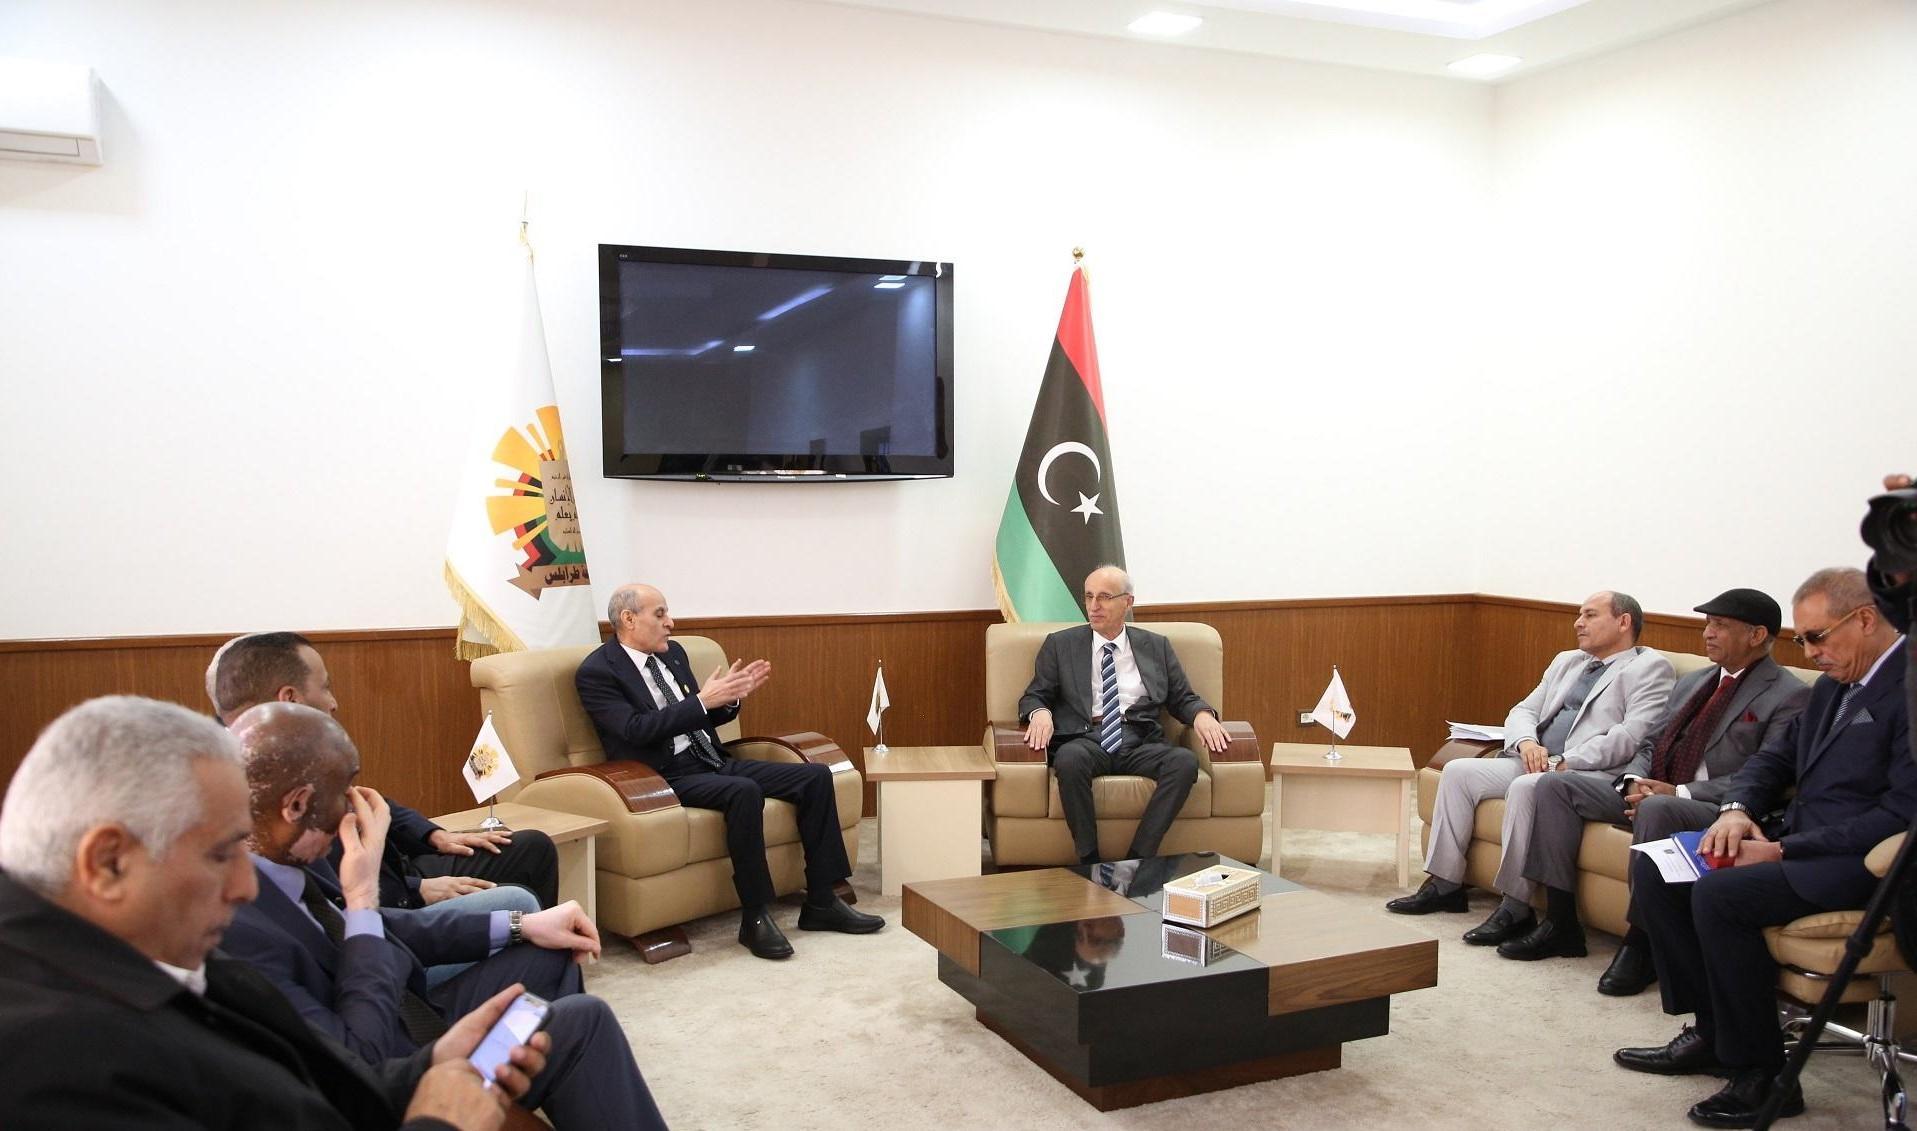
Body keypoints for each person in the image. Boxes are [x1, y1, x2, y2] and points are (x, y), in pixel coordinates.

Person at [0, 695, 547, 1130]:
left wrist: (425, 1068)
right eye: (221, 855)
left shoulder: (161, 958)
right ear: (108, 863)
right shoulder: (52, 1062)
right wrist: (439, 1123)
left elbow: (305, 1093)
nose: (245, 887)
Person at [220, 702, 668, 1130]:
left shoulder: (285, 861)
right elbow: (359, 1059)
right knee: (585, 1021)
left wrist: (521, 925)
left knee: (550, 951)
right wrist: (362, 897)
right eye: (344, 793)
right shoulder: (238, 930)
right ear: (296, 806)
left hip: (412, 1012)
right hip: (395, 1072)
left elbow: (375, 928)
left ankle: (543, 1102)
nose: (354, 808)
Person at [1615, 567, 1914, 1127]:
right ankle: (1713, 1033)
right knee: (1660, 868)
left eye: (1816, 637)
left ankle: (1765, 1073)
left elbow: (1900, 816)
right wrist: (1736, 810)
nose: (1809, 652)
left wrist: (1781, 852)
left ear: (1866, 619)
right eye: (1802, 640)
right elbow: (1772, 760)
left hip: (1866, 864)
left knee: (1722, 895)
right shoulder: (1832, 686)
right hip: (1800, 842)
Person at [1499, 589, 1810, 991]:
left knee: (1658, 809)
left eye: (1720, 626)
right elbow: (1650, 743)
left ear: (1756, 635)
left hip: (1715, 807)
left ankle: (1642, 942)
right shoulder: (1696, 681)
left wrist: (1678, 793)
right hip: (1652, 788)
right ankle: (1561, 923)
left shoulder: (1789, 694)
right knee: (1554, 785)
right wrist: (1633, 780)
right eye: (1707, 625)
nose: (1708, 634)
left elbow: (1769, 774)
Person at [575, 583, 882, 960]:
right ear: (628, 619)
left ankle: (822, 900)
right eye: (660, 614)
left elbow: (702, 716)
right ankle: (755, 916)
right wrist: (702, 701)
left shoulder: (673, 654)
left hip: (711, 760)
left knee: (815, 776)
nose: (670, 623)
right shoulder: (598, 672)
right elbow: (634, 730)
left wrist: (729, 699)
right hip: (660, 777)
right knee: (743, 791)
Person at [1387, 591, 1676, 949]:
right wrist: (1526, 743)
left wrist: (1563, 761)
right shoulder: (1567, 661)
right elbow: (1523, 710)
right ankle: (1445, 884)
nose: (1578, 623)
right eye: (1578, 615)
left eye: (1590, 615)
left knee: (1528, 787)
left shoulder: (1649, 668)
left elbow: (1631, 736)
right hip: (1532, 760)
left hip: (1586, 774)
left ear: (1623, 622)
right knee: (1459, 771)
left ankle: (1515, 906)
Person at [209, 632, 556, 927]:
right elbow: (328, 897)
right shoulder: (250, 784)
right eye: (326, 687)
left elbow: (365, 799)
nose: (334, 702)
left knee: (531, 849)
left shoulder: (293, 744)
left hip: (396, 867)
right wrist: (417, 890)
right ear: (290, 697)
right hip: (379, 911)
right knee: (518, 906)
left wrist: (433, 835)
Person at [1017, 565, 1230, 864]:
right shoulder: (1061, 644)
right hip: (1086, 738)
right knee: (1069, 759)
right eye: (1089, 596)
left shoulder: (1155, 646)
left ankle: (1137, 859)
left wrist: (1202, 715)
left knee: (1184, 762)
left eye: (1104, 597)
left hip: (1139, 738)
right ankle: (1089, 861)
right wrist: (1040, 713)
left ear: (1127, 602)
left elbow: (1181, 697)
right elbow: (1035, 694)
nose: (1093, 606)